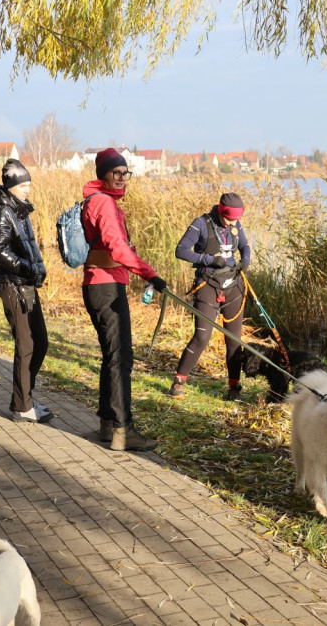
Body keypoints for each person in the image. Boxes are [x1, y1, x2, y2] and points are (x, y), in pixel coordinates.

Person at [81, 148, 166, 451]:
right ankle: (122, 429)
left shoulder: (102, 201)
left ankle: (108, 424)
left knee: (112, 357)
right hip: (105, 286)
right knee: (120, 359)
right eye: (115, 173)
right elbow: (117, 249)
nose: (121, 178)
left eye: (124, 172)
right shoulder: (103, 203)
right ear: (102, 175)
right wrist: (150, 274)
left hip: (102, 284)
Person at [0, 160, 53, 424]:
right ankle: (23, 407)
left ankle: (24, 398)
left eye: (29, 185)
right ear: (11, 186)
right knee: (26, 345)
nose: (28, 190)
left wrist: (37, 268)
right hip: (12, 284)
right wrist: (26, 267)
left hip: (25, 284)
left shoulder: (18, 209)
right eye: (23, 185)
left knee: (40, 342)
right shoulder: (3, 210)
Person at [168, 192, 252, 400]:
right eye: (230, 218)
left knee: (234, 340)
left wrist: (245, 262)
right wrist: (208, 259)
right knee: (202, 337)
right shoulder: (201, 223)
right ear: (221, 211)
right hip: (207, 285)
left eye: (236, 219)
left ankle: (234, 387)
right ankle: (178, 382)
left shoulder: (235, 224)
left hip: (234, 286)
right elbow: (181, 250)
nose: (233, 223)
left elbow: (245, 246)